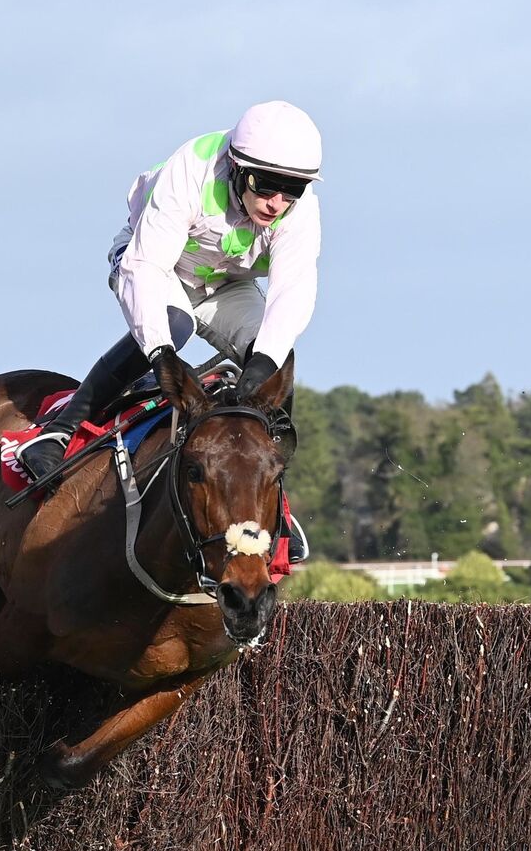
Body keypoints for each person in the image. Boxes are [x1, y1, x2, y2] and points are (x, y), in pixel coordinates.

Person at [17, 100, 323, 560]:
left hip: (226, 284)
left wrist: (261, 367)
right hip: (155, 265)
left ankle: (274, 503)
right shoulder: (193, 169)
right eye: (266, 187)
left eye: (291, 189)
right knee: (172, 326)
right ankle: (59, 431)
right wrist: (160, 353)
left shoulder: (299, 212)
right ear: (237, 168)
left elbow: (292, 294)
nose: (277, 202)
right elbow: (145, 267)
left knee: (279, 361)